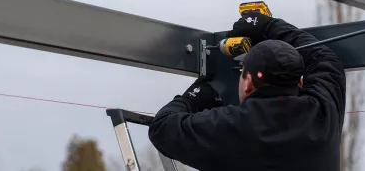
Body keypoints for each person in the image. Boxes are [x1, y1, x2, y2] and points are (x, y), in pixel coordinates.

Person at [148, 11, 346, 171]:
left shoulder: (230, 126)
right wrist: (271, 25)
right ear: (300, 82)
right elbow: (324, 58)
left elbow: (162, 128)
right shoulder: (323, 114)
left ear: (248, 82)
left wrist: (192, 99)